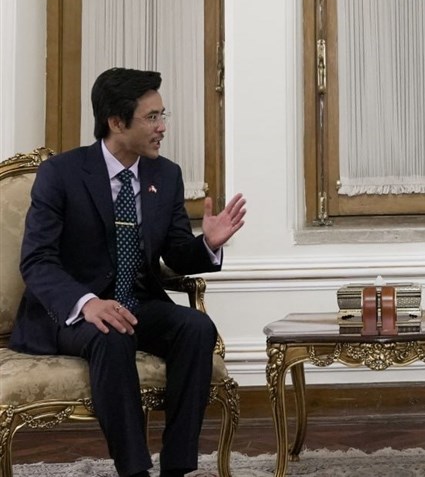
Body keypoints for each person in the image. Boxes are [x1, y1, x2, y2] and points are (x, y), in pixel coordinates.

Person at [10, 67, 247, 477]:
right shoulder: (62, 174)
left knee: (196, 328)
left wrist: (207, 244)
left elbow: (176, 253)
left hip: (137, 302)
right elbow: (36, 259)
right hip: (71, 312)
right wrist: (87, 303)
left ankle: (177, 467)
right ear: (116, 123)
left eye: (162, 115)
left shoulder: (165, 175)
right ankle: (134, 470)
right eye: (152, 117)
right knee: (112, 333)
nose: (162, 127)